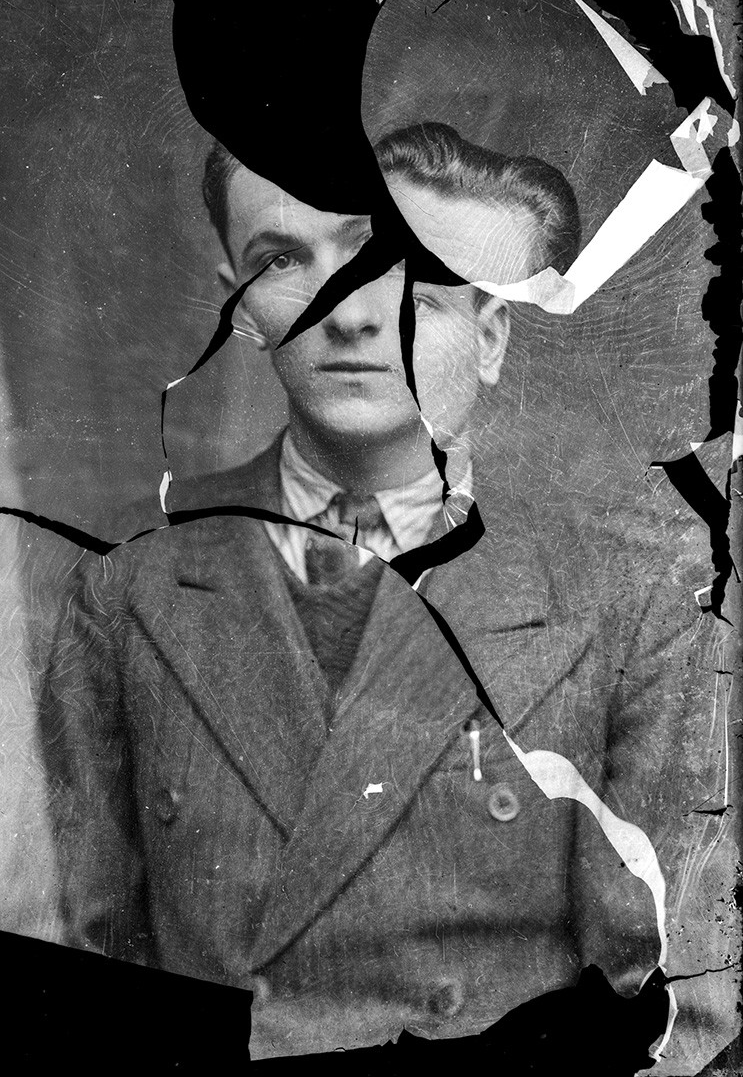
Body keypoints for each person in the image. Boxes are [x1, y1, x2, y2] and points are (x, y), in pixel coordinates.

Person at [39, 123, 722, 1066]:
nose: (353, 318)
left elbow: (676, 998)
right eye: (296, 267)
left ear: (490, 337)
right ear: (246, 311)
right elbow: (90, 959)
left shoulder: (628, 603)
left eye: (411, 289)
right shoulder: (128, 587)